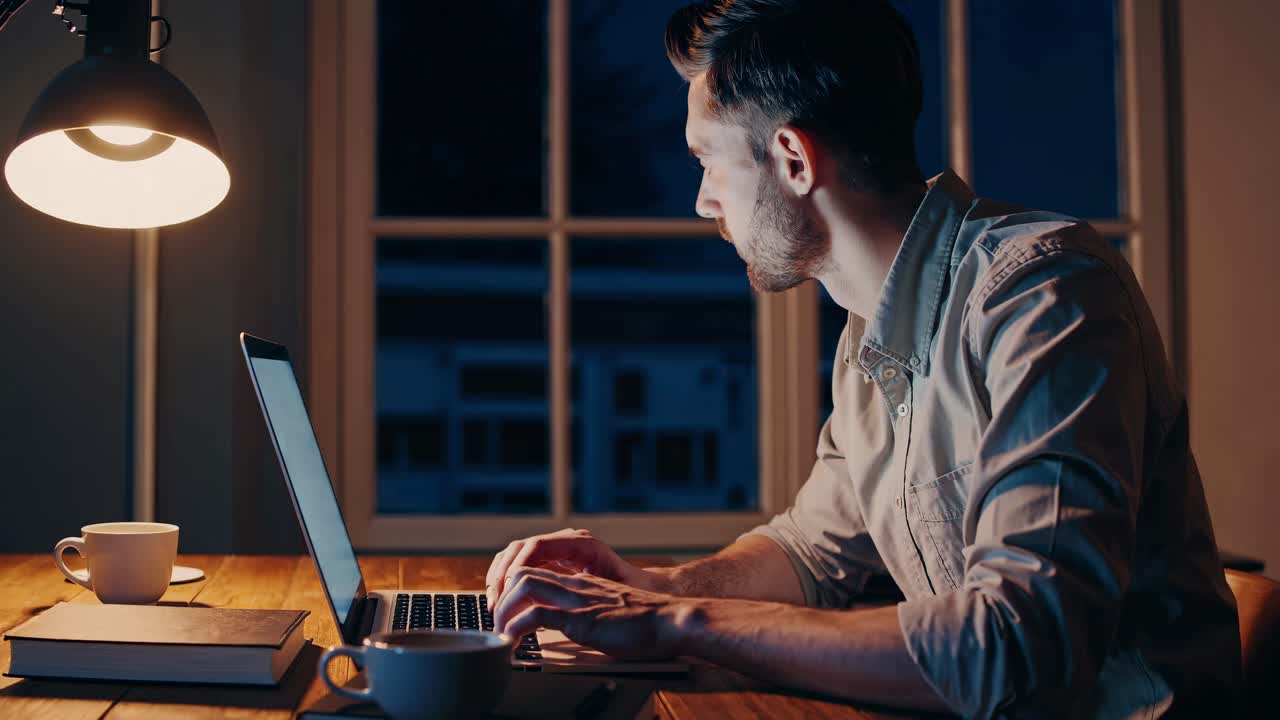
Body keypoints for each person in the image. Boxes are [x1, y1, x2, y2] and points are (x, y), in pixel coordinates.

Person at [486, 1, 1241, 716]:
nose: (703, 201)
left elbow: (1018, 648)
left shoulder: (1043, 296)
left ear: (792, 160)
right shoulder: (872, 337)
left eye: (707, 162)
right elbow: (810, 554)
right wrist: (650, 586)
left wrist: (678, 619)